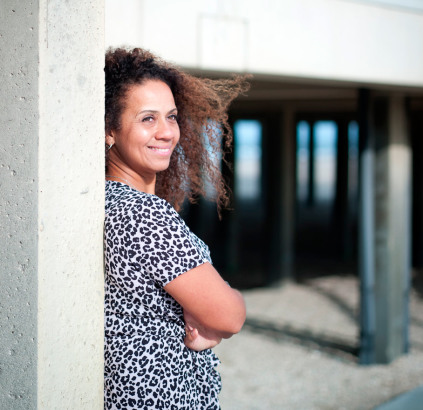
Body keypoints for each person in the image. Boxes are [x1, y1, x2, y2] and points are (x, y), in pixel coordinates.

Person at [104, 47, 248, 409]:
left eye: (171, 116)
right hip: (161, 395)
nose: (167, 132)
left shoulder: (103, 199)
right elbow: (229, 315)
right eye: (147, 119)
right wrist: (220, 310)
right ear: (109, 130)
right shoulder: (144, 215)